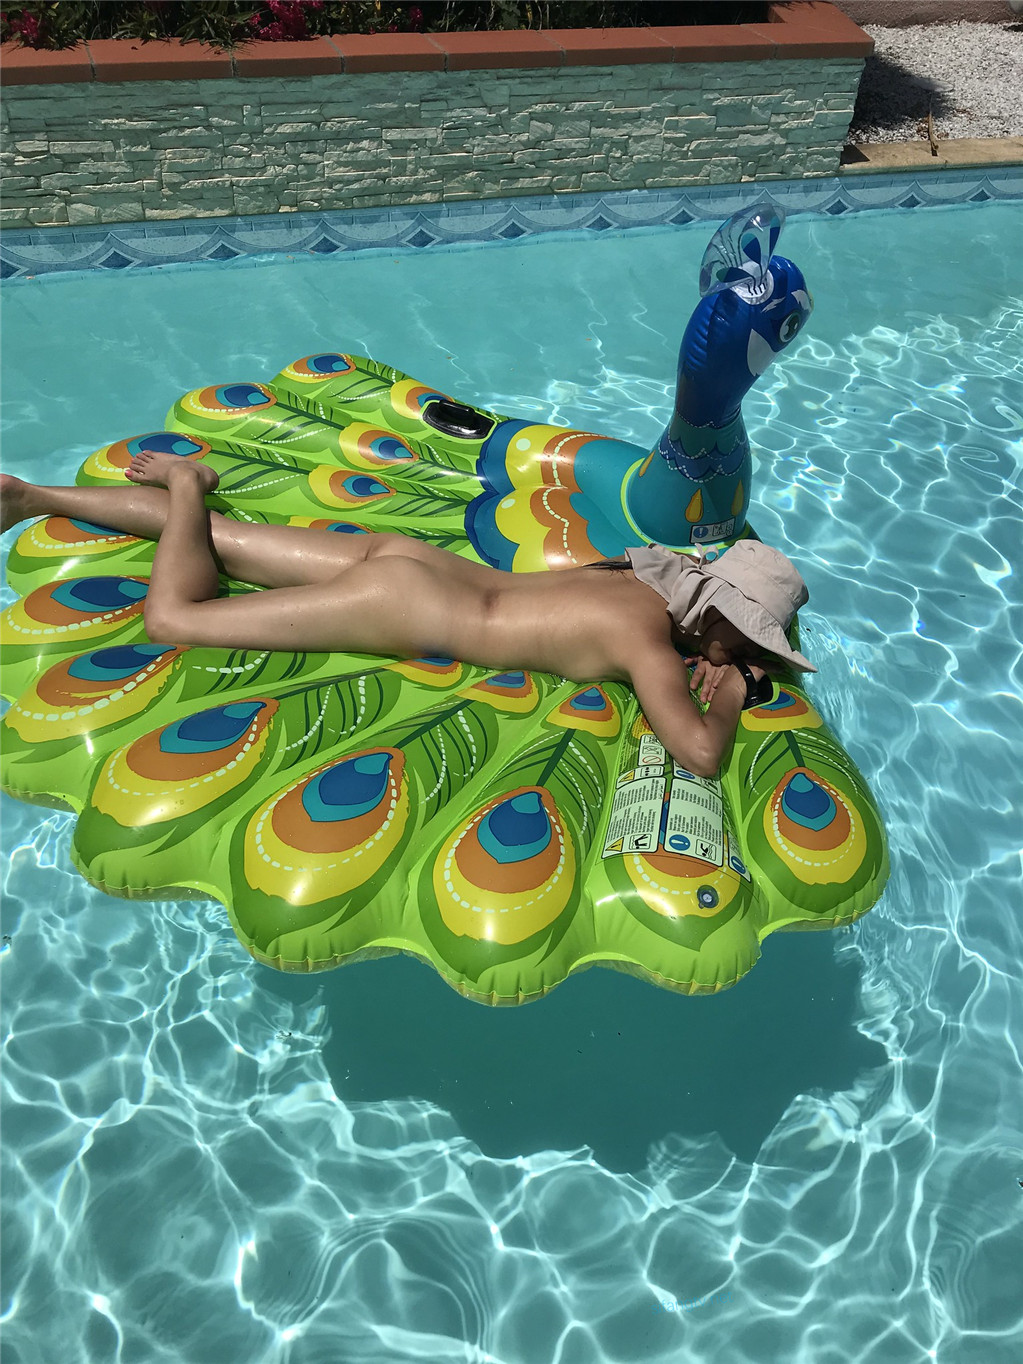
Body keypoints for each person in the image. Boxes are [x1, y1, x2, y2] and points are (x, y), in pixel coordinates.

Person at [0, 454, 815, 779]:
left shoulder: (639, 579)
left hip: (418, 562)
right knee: (177, 619)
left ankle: (30, 495)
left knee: (224, 540)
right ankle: (182, 485)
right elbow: (699, 755)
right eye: (751, 639)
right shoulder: (646, 646)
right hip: (407, 604)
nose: (755, 655)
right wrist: (730, 692)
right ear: (719, 622)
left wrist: (715, 648)